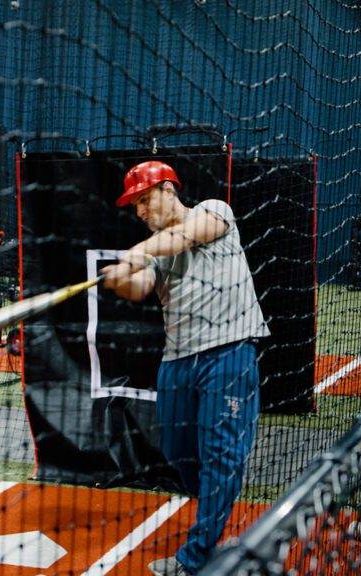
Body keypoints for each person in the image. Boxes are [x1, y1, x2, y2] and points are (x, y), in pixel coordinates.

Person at [102, 160, 269, 576]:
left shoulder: (214, 211)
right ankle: (219, 512)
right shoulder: (156, 249)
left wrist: (136, 253)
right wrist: (120, 277)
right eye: (134, 206)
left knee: (221, 455)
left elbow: (189, 236)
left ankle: (197, 558)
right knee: (179, 453)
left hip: (228, 353)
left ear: (168, 191)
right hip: (177, 362)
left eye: (144, 200)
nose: (140, 212)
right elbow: (139, 288)